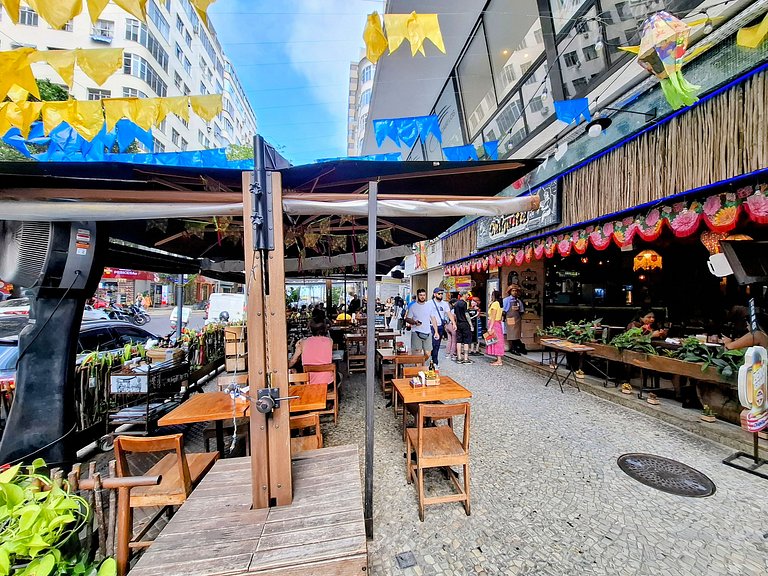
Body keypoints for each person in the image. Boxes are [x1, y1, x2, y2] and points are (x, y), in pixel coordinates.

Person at [289, 320, 334, 385]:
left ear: (311, 330)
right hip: (327, 383)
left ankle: (304, 391)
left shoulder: (303, 342)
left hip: (309, 382)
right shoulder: (330, 341)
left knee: (293, 371)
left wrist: (285, 367)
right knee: (339, 375)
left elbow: (293, 361)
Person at [404, 288, 440, 357]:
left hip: (427, 332)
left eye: (424, 295)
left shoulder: (429, 306)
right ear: (417, 296)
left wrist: (436, 331)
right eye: (420, 295)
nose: (422, 297)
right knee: (417, 354)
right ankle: (420, 367)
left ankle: (422, 365)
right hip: (416, 332)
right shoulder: (413, 307)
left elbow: (433, 319)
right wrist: (414, 322)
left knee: (428, 353)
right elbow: (407, 319)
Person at [429, 287, 454, 367]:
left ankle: (434, 361)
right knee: (433, 344)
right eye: (439, 294)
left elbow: (449, 313)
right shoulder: (429, 303)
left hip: (440, 326)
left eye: (441, 294)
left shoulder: (444, 304)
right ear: (434, 294)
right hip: (430, 326)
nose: (441, 295)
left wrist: (453, 322)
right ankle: (433, 360)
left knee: (437, 345)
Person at [503, 284, 527, 355]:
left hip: (517, 319)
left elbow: (521, 311)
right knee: (512, 334)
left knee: (516, 334)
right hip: (510, 319)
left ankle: (519, 347)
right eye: (513, 291)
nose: (514, 292)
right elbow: (504, 311)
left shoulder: (518, 301)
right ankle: (515, 348)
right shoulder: (506, 300)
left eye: (516, 291)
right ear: (510, 292)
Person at [486, 290, 506, 366]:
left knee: (496, 341)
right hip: (498, 323)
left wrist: (490, 328)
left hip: (494, 324)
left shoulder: (495, 304)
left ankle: (499, 360)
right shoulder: (500, 304)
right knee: (497, 340)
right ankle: (498, 359)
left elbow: (493, 317)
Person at [453, 291, 473, 363]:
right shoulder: (464, 303)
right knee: (466, 341)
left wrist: (455, 323)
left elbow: (455, 315)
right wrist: (470, 324)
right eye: (467, 294)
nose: (468, 296)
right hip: (465, 323)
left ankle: (459, 357)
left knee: (458, 340)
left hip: (458, 323)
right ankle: (465, 358)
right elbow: (466, 314)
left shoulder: (456, 304)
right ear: (464, 295)